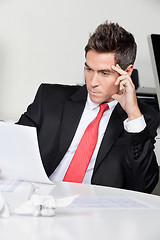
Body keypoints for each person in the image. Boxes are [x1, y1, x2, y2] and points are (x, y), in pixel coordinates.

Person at [17, 21, 160, 193]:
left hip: (94, 212)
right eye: (89, 70)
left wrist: (133, 115)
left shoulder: (142, 118)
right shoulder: (49, 98)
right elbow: (12, 149)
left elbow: (143, 186)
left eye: (104, 73)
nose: (92, 82)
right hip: (39, 200)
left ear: (127, 72)